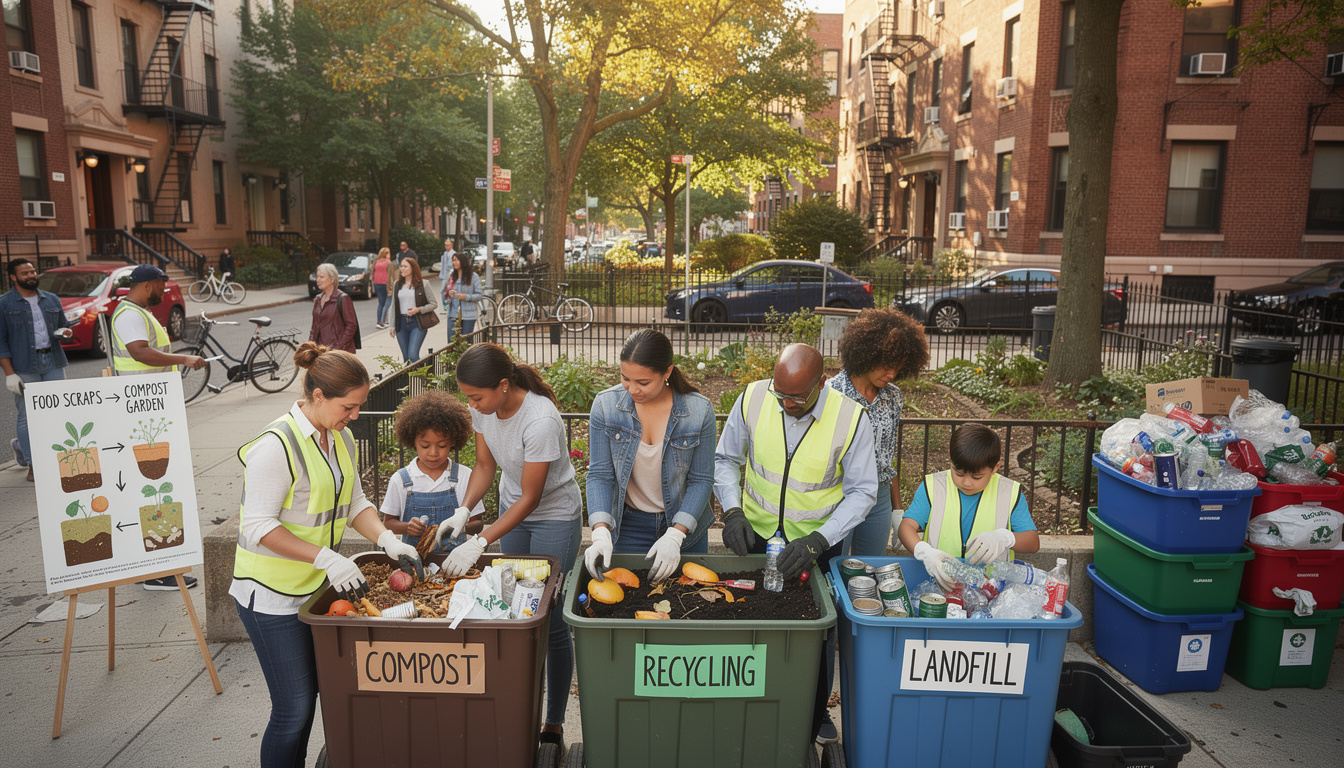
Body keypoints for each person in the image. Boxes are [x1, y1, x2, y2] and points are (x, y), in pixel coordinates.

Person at [231, 342, 425, 768]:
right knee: (293, 710)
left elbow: (355, 503)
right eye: (348, 407)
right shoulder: (274, 446)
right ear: (317, 397)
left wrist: (387, 540)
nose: (354, 416)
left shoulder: (341, 437)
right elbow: (257, 527)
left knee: (314, 701)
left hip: (313, 588)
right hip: (270, 595)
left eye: (359, 406)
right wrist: (326, 558)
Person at [714, 342, 876, 745]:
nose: (786, 403)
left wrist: (820, 540)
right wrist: (732, 511)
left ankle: (814, 711)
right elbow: (725, 459)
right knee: (748, 620)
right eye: (780, 393)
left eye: (797, 397)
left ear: (822, 383)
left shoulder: (852, 418)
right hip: (756, 536)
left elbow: (862, 492)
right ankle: (746, 703)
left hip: (817, 544)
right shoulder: (753, 397)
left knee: (815, 635)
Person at [452, 342, 582, 747]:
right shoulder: (484, 407)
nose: (471, 403)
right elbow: (486, 465)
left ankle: (553, 723)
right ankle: (515, 707)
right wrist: (464, 509)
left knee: (550, 618)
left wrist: (480, 541)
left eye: (476, 396)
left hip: (554, 518)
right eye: (467, 396)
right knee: (514, 611)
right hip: (515, 513)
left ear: (504, 386)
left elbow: (532, 496)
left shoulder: (540, 420)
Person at [584, 329, 716, 582]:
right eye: (625, 378)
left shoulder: (700, 411)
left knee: (687, 601)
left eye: (643, 382)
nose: (633, 389)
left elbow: (701, 480)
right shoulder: (606, 406)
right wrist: (600, 531)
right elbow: (600, 475)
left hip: (684, 526)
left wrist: (676, 535)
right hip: (628, 528)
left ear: (667, 372)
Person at [112, 264, 206, 589]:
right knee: (154, 491)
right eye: (161, 287)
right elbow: (139, 353)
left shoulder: (137, 312)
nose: (164, 292)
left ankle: (155, 563)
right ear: (149, 284)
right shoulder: (129, 315)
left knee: (157, 490)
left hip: (149, 410)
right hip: (142, 414)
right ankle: (156, 569)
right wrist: (183, 360)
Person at [828, 307, 929, 556]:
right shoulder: (830, 395)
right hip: (839, 494)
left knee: (870, 567)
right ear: (867, 354)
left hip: (879, 497)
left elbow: (887, 457)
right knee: (833, 565)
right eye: (886, 366)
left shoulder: (893, 397)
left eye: (898, 367)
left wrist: (897, 510)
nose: (892, 374)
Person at [898, 424, 1040, 590]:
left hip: (991, 591)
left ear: (995, 467)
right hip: (940, 585)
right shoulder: (933, 486)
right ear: (950, 461)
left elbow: (1033, 542)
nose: (966, 482)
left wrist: (1005, 537)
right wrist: (925, 552)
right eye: (958, 473)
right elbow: (906, 527)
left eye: (976, 476)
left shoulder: (1009, 492)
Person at [380, 390, 485, 552]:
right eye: (425, 445)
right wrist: (407, 527)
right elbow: (388, 523)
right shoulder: (400, 479)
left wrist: (461, 525)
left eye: (442, 445)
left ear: (453, 442)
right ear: (412, 440)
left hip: (455, 562)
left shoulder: (465, 476)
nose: (433, 452)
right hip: (415, 563)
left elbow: (478, 523)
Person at [1, 259, 75, 482]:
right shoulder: (4, 304)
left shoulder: (50, 299)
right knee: (27, 416)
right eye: (25, 273)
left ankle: (57, 458)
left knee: (57, 412)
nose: (31, 275)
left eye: (33, 271)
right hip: (24, 366)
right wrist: (9, 373)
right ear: (13, 277)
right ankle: (33, 464)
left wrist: (66, 332)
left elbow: (64, 325)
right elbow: (1, 341)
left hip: (52, 361)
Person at [389, 257, 436, 362]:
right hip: (401, 324)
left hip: (417, 323)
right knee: (406, 358)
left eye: (405, 266)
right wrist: (391, 325)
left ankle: (424, 376)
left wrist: (418, 309)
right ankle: (409, 379)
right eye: (401, 266)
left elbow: (433, 304)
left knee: (413, 355)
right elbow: (393, 306)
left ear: (413, 269)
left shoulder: (424, 284)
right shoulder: (397, 284)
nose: (402, 269)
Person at [308, 263, 358, 354]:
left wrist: (338, 348)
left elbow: (351, 326)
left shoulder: (342, 298)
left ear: (332, 279)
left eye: (322, 277)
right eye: (317, 277)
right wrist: (310, 346)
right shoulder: (318, 299)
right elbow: (314, 326)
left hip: (338, 352)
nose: (318, 280)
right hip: (320, 350)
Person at [443, 251, 482, 345]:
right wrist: (449, 296)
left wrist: (465, 297)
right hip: (453, 314)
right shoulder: (452, 276)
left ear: (463, 261)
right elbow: (445, 294)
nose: (454, 263)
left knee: (465, 343)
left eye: (456, 260)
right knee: (452, 343)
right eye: (453, 260)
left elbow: (479, 295)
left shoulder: (473, 276)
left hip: (468, 315)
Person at [372, 247, 392, 329]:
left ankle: (379, 321)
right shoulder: (388, 262)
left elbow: (373, 272)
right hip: (385, 283)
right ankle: (383, 322)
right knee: (387, 303)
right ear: (386, 254)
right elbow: (391, 275)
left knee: (381, 303)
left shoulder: (376, 261)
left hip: (377, 283)